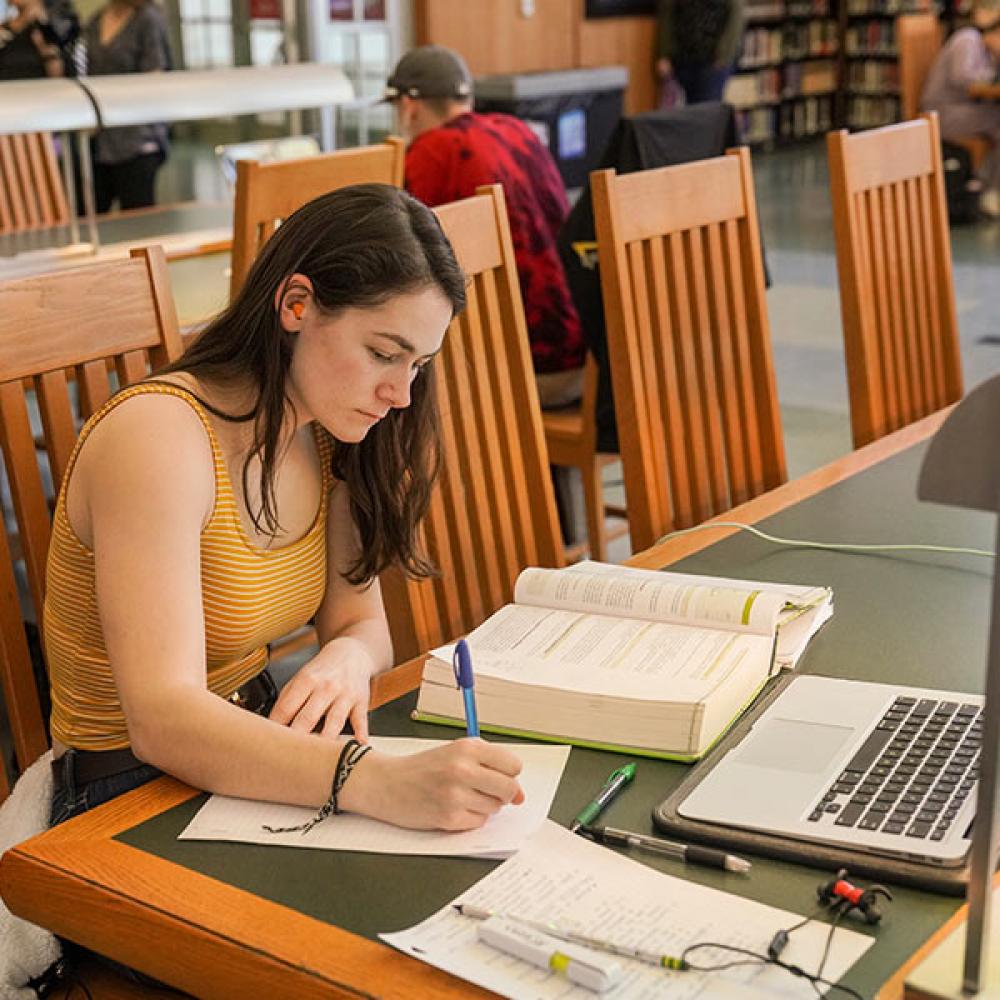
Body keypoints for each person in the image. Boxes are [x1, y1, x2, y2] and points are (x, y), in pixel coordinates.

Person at [45, 184, 525, 841]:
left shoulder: (327, 431)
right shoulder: (157, 437)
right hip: (126, 796)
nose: (401, 393)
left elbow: (362, 622)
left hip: (257, 750)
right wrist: (378, 781)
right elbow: (161, 718)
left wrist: (346, 660)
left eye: (418, 363)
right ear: (296, 305)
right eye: (384, 353)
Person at [385, 45, 586, 409]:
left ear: (409, 107)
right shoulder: (517, 130)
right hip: (582, 351)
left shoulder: (431, 152)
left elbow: (402, 261)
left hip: (528, 370)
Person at [82, 0, 172, 211]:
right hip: (102, 136)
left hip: (138, 138)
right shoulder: (95, 21)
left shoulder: (148, 19)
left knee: (137, 217)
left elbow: (154, 77)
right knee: (92, 211)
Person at [921, 0, 1000, 217]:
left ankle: (987, 187)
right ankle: (990, 191)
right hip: (944, 112)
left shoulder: (986, 50)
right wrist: (991, 79)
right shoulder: (968, 39)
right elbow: (963, 79)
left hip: (966, 112)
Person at [655, 0, 745, 106]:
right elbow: (667, 16)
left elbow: (735, 17)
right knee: (688, 111)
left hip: (713, 60)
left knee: (706, 110)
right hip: (682, 59)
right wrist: (664, 54)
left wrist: (723, 55)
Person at [0, 0, 78, 80]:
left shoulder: (54, 29)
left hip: (44, 88)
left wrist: (47, 52)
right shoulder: (5, 30)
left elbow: (61, 79)